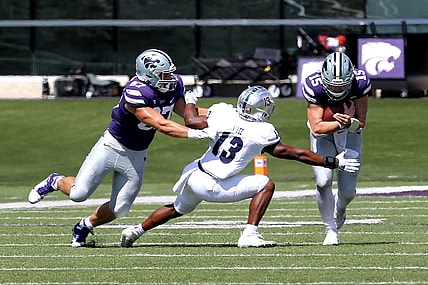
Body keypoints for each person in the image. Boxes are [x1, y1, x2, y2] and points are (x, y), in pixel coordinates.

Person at [120, 85, 360, 248]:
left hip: (195, 175)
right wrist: (332, 161)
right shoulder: (262, 131)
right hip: (216, 186)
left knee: (177, 208)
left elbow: (191, 120)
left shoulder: (224, 113)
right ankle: (249, 234)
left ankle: (136, 230)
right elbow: (294, 153)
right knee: (265, 184)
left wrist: (190, 100)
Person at [28, 49, 211, 248]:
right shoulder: (136, 91)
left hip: (136, 154)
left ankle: (84, 225)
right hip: (110, 147)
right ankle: (55, 180)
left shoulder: (173, 85)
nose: (170, 79)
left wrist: (221, 115)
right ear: (148, 74)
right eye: (164, 75)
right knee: (78, 194)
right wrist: (196, 134)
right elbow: (161, 124)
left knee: (120, 209)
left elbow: (186, 113)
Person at [302, 51, 370, 245]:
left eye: (341, 85)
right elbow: (317, 128)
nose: (336, 88)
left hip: (350, 134)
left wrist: (350, 122)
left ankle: (340, 208)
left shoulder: (360, 83)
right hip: (324, 135)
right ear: (324, 79)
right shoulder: (314, 87)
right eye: (332, 84)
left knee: (348, 192)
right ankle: (330, 229)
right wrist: (340, 124)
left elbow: (362, 123)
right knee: (323, 181)